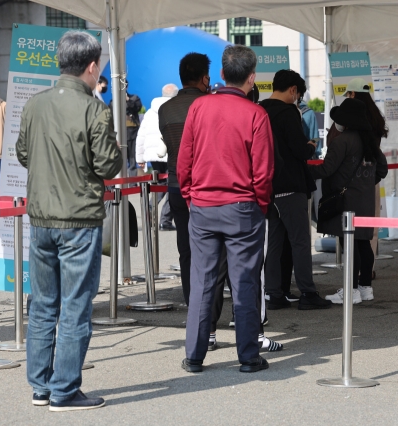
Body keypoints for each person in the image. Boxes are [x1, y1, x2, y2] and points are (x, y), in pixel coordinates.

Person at [16, 31, 122, 411]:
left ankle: (41, 387)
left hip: (42, 216)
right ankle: (64, 390)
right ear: (92, 67)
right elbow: (108, 164)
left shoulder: (35, 104)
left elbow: (23, 154)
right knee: (76, 306)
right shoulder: (94, 108)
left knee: (43, 303)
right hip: (78, 218)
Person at [178, 45, 273, 373]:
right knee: (244, 281)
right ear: (252, 78)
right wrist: (259, 205)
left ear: (220, 74)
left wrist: (191, 196)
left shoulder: (199, 107)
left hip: (203, 205)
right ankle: (248, 357)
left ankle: (194, 355)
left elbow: (184, 160)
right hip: (242, 206)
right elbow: (263, 171)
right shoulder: (256, 114)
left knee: (202, 279)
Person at [260, 69, 331, 311]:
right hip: (291, 185)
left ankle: (273, 293)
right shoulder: (288, 112)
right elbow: (299, 150)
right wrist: (310, 146)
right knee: (300, 241)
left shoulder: (260, 110)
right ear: (293, 90)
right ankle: (308, 293)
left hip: (269, 185)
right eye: (298, 94)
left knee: (275, 242)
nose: (298, 99)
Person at [309, 98, 388, 303]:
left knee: (349, 245)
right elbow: (382, 170)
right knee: (363, 244)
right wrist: (366, 183)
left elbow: (327, 169)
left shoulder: (342, 140)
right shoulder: (370, 140)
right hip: (365, 198)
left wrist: (303, 170)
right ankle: (365, 288)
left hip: (346, 201)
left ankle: (351, 291)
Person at [159, 53, 211, 306]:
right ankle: (212, 299)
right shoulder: (211, 105)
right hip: (208, 187)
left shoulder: (164, 109)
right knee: (215, 246)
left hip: (176, 184)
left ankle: (193, 300)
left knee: (186, 246)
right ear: (205, 78)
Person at [344, 77, 389, 283]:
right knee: (369, 234)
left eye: (347, 94)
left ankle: (354, 283)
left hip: (354, 181)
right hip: (371, 179)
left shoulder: (354, 119)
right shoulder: (375, 117)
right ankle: (366, 278)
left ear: (352, 94)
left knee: (352, 235)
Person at [136, 83, 178, 230]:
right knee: (173, 186)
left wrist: (139, 158)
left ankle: (149, 211)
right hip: (170, 154)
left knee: (159, 185)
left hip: (153, 156)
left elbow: (140, 136)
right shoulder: (174, 109)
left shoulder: (149, 112)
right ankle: (165, 220)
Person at [298, 90, 322, 159]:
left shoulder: (289, 111)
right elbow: (315, 137)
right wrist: (317, 155)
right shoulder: (310, 113)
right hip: (307, 155)